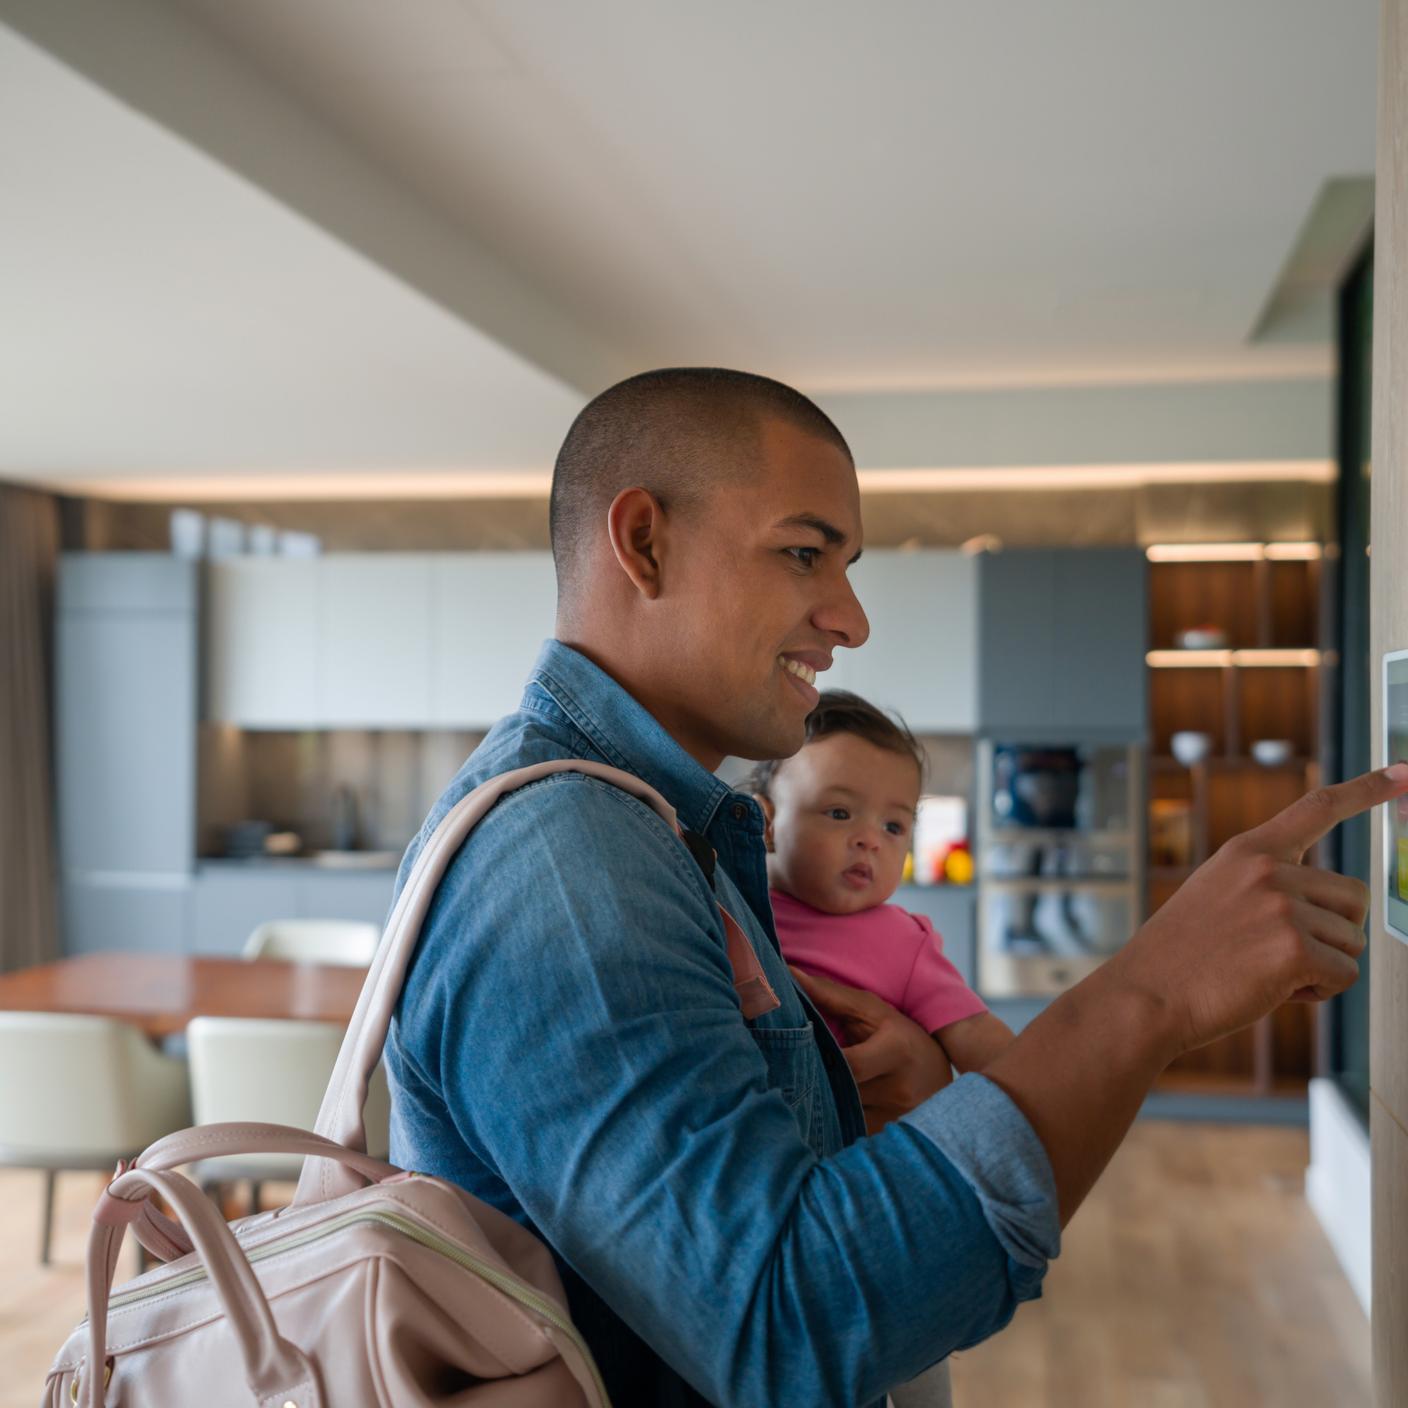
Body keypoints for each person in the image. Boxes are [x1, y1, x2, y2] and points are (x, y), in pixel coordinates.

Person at [387, 367, 1395, 1408]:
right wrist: (1151, 992)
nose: (851, 618)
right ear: (644, 542)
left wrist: (885, 1106)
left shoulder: (665, 827)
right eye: (801, 552)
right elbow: (785, 1325)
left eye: (846, 563)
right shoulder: (569, 864)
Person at [752, 689, 1013, 1087]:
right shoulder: (730, 904)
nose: (870, 840)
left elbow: (982, 1042)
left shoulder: (903, 943)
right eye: (839, 813)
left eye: (893, 826)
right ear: (765, 823)